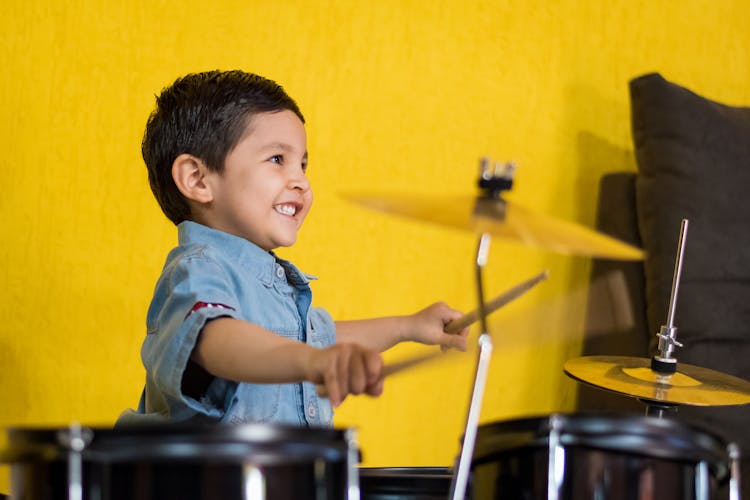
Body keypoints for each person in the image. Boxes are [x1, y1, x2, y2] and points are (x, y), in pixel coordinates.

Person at [117, 70, 468, 428]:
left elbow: (317, 337)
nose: (301, 181)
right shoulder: (198, 269)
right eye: (276, 160)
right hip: (208, 484)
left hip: (273, 481)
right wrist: (313, 362)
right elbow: (218, 341)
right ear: (198, 179)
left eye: (302, 164)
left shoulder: (265, 285)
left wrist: (407, 327)